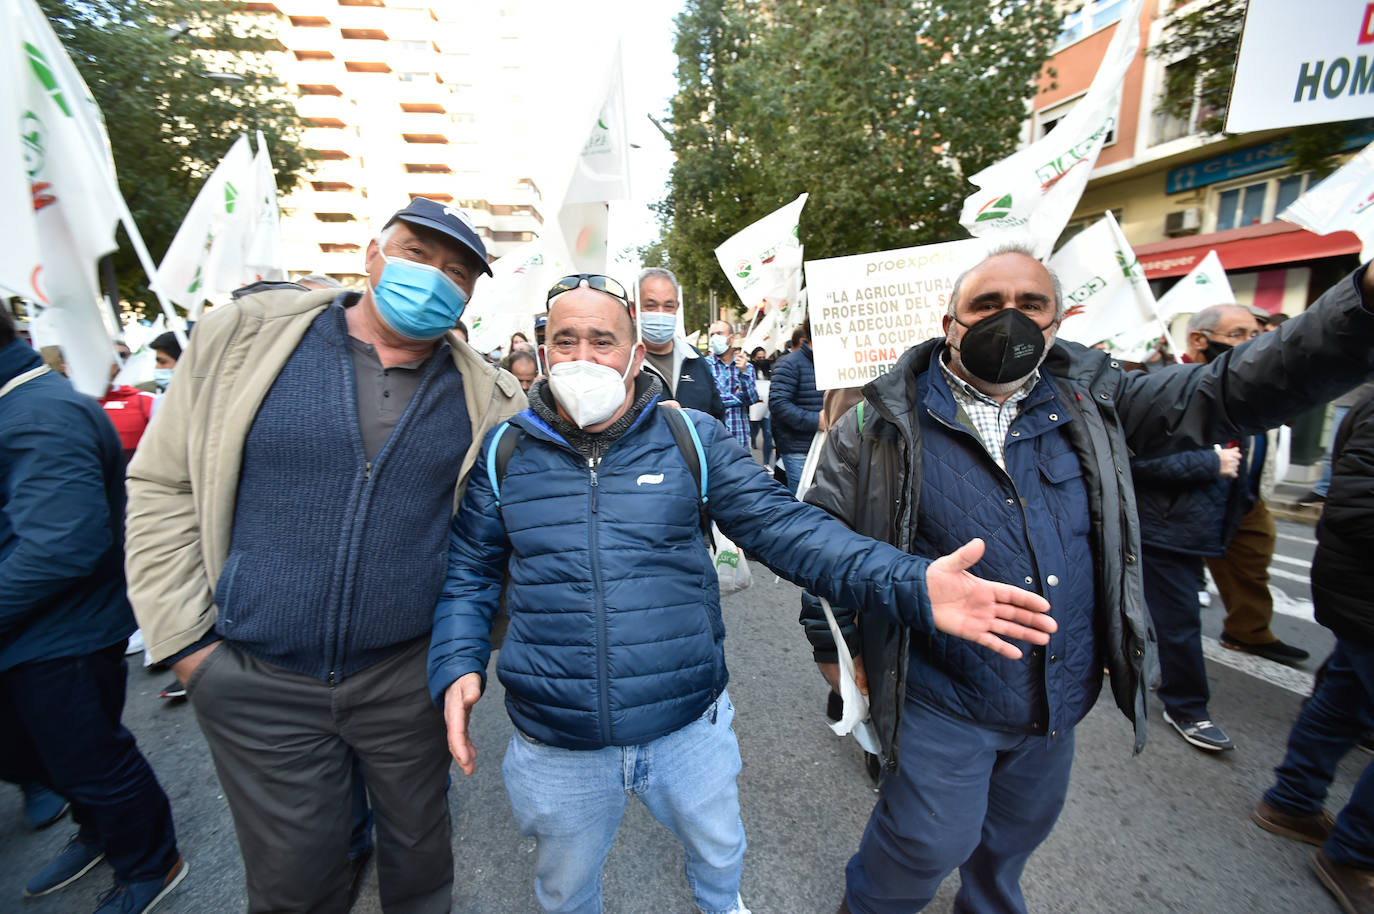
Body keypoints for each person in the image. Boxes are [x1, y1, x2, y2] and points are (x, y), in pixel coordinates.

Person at [428, 274, 1058, 914]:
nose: (583, 358)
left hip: (686, 731)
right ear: (543, 353)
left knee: (719, 850)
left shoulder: (692, 439)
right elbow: (473, 569)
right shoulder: (506, 451)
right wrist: (457, 662)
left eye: (603, 341)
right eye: (566, 341)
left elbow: (787, 530)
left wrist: (912, 583)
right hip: (555, 741)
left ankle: (719, 902)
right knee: (565, 887)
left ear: (637, 355)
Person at [799, 245, 1374, 914]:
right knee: (924, 843)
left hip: (1057, 696)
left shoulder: (1101, 404)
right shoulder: (877, 424)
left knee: (1012, 841)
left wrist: (1361, 302)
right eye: (986, 304)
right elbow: (825, 547)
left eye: (1030, 304)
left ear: (1059, 320)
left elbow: (1233, 388)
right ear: (948, 319)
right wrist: (832, 655)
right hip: (940, 695)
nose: (1007, 319)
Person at [124, 197, 526, 914]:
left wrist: (464, 652)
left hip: (406, 677)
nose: (434, 279)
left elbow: (492, 540)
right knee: (294, 886)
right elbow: (163, 483)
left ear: (469, 296)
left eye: (457, 273)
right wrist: (188, 644)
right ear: (372, 254)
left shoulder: (491, 398)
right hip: (255, 678)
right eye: (417, 255)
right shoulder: (244, 339)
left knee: (421, 861)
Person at [0, 306, 186, 913]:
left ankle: (150, 864)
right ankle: (100, 831)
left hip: (61, 634)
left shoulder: (42, 415)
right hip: (25, 633)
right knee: (39, 755)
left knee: (91, 758)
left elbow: (61, 545)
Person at [1251, 388, 1374, 913]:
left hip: (1356, 587)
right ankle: (1357, 853)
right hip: (1363, 584)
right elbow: (1357, 503)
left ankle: (1293, 801)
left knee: (1343, 693)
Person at [1180, 307, 1310, 668]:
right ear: (1200, 339)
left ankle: (1248, 630)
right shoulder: (1174, 383)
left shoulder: (1252, 380)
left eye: (1256, 334)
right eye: (1239, 335)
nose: (1252, 343)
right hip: (1185, 503)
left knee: (1252, 561)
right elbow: (1141, 456)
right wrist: (1208, 464)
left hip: (1243, 493)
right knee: (1171, 596)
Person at [636, 267, 726, 421]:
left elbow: (716, 418)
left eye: (668, 306)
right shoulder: (623, 362)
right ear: (634, 307)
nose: (660, 313)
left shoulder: (695, 358)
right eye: (650, 305)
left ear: (677, 307)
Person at [769, 321, 824, 494]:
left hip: (831, 447)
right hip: (799, 450)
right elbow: (778, 404)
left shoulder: (835, 363)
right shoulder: (789, 363)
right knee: (804, 503)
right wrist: (817, 421)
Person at [706, 319, 757, 449]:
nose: (715, 338)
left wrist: (743, 372)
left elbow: (751, 399)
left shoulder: (746, 366)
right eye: (712, 335)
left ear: (731, 338)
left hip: (739, 437)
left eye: (719, 333)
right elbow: (708, 401)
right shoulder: (704, 365)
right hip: (712, 438)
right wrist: (737, 398)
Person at [747, 346, 774, 469]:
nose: (762, 360)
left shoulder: (769, 370)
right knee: (754, 430)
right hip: (753, 407)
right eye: (759, 358)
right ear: (753, 358)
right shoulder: (748, 370)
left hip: (766, 408)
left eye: (764, 357)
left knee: (768, 433)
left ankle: (766, 462)